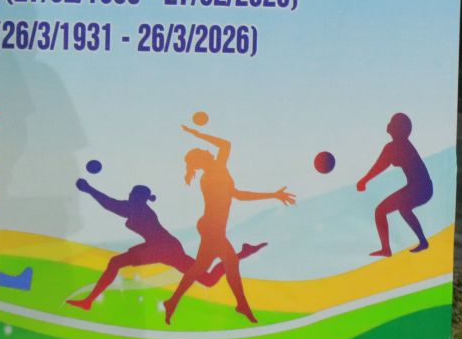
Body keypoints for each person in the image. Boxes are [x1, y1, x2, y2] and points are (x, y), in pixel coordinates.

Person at [65, 162, 264, 311]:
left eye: (132, 193)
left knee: (115, 262)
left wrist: (89, 189)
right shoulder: (138, 207)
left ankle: (88, 301)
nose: (129, 195)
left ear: (139, 197)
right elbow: (113, 205)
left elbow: (110, 204)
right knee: (209, 280)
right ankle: (242, 253)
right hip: (165, 247)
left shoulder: (138, 208)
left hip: (162, 248)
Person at [162, 125, 294, 325]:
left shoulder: (218, 169)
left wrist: (273, 195)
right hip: (212, 227)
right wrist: (198, 134)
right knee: (221, 264)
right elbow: (225, 146)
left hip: (213, 227)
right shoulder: (211, 176)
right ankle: (240, 305)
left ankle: (173, 302)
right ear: (201, 160)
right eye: (203, 151)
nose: (207, 150)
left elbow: (238, 193)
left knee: (206, 267)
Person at [357, 112, 435, 256]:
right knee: (403, 208)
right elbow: (383, 163)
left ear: (399, 129)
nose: (389, 125)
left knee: (381, 211)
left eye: (393, 123)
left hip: (420, 189)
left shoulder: (396, 147)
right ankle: (421, 242)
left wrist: (364, 181)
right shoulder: (400, 145)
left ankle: (387, 249)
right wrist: (364, 180)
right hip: (422, 187)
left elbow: (380, 166)